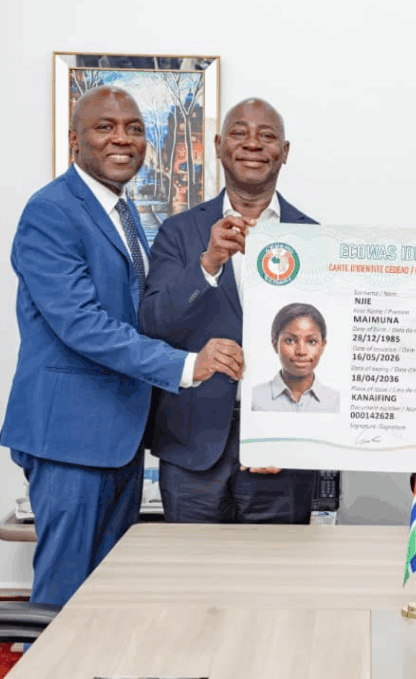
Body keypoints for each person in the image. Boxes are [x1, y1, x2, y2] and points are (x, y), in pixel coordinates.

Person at [0, 86, 242, 608]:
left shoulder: (122, 212)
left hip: (120, 436)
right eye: (105, 127)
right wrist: (186, 365)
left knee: (107, 596)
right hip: (70, 438)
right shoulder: (51, 211)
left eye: (134, 128)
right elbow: (82, 324)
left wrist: (206, 270)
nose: (122, 138)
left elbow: (143, 314)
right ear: (74, 140)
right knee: (63, 597)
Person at [140, 98, 319, 524]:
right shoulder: (179, 232)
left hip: (281, 453)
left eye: (267, 136)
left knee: (275, 567)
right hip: (192, 447)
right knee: (194, 566)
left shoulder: (315, 238)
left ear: (285, 152)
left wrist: (293, 439)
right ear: (219, 145)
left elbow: (328, 344)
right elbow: (152, 323)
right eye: (239, 133)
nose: (252, 144)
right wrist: (207, 265)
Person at [252, 303, 340, 413]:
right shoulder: (254, 399)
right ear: (275, 345)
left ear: (322, 346)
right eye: (290, 340)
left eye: (311, 342)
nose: (301, 352)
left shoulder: (336, 402)